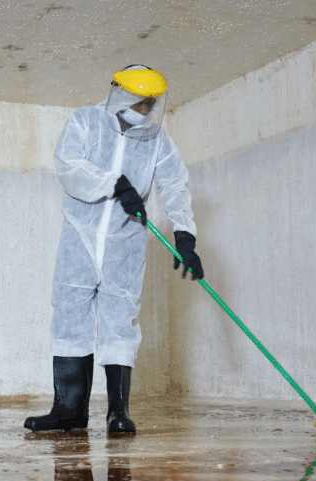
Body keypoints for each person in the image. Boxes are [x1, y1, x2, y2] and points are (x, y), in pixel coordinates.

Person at [25, 65, 204, 435]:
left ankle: (117, 412)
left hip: (126, 241)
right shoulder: (85, 121)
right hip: (80, 234)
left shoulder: (157, 141)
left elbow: (174, 184)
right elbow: (69, 165)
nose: (145, 110)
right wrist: (115, 184)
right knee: (70, 312)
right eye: (140, 102)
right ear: (119, 95)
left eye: (150, 104)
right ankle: (68, 411)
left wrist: (185, 234)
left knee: (120, 319)